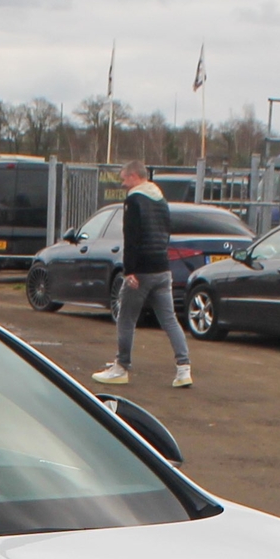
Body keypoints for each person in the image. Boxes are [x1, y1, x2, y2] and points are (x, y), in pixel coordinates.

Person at [90, 161, 190, 390]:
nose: (123, 184)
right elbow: (166, 233)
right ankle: (184, 368)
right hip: (163, 268)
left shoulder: (134, 200)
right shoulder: (161, 200)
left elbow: (131, 237)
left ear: (134, 176)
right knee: (169, 319)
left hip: (142, 270)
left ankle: (121, 367)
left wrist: (129, 271)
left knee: (126, 318)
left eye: (125, 179)